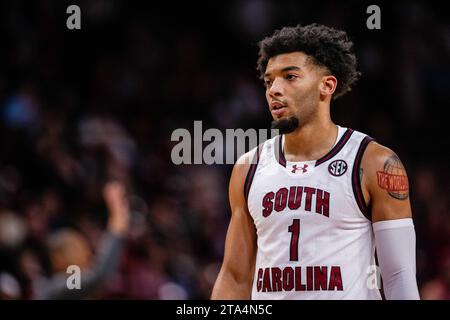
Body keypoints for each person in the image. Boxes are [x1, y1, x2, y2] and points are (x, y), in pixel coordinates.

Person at [211, 24, 420, 300]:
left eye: (290, 76)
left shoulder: (373, 161)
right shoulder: (248, 167)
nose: (274, 89)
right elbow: (235, 277)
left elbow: (398, 277)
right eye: (269, 80)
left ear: (327, 85)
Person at [33, 181, 129, 299]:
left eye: (85, 247)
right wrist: (117, 218)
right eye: (77, 248)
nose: (86, 253)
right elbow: (98, 276)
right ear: (57, 258)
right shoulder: (52, 287)